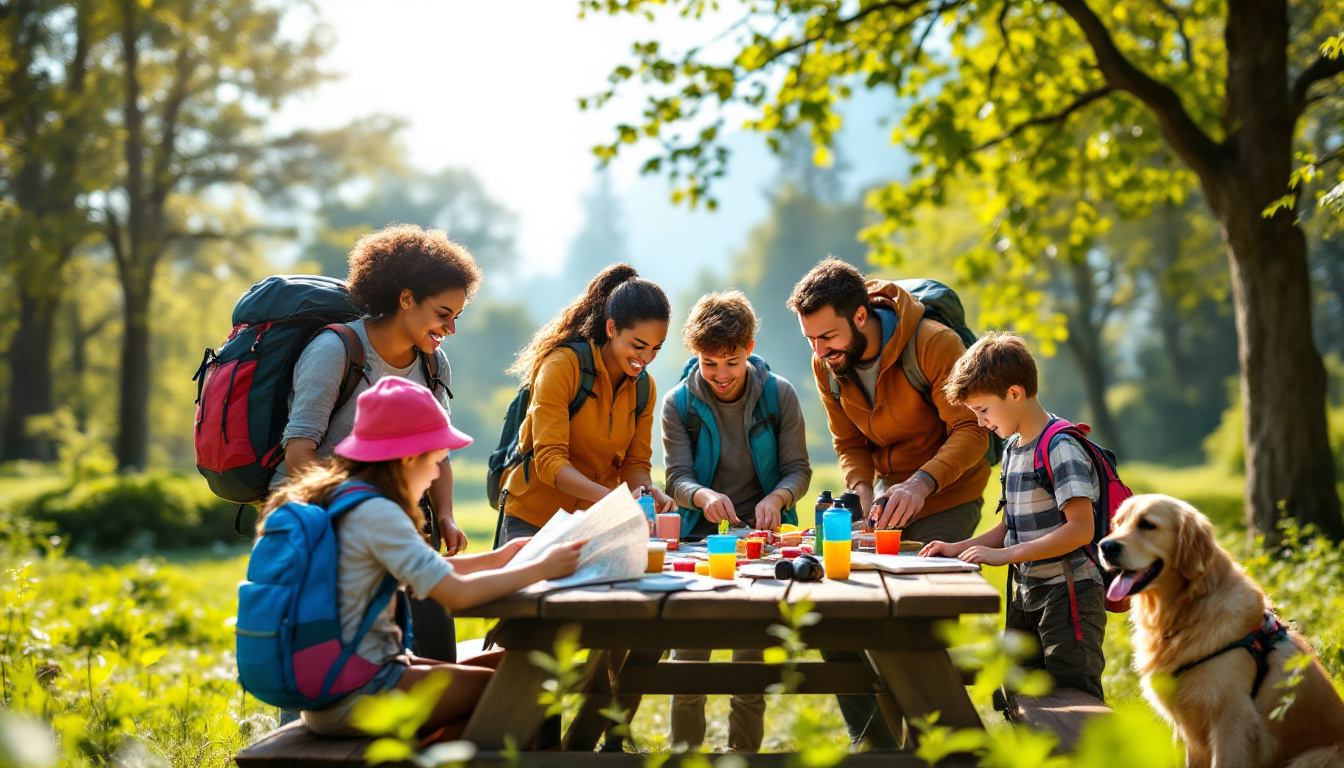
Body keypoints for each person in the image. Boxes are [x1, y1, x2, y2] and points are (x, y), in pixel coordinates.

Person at [262, 376, 583, 740]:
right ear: (409, 457)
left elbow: (429, 571)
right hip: (359, 695)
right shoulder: (378, 514)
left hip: (340, 689)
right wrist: (542, 569)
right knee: (521, 691)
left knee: (528, 669)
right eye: (437, 462)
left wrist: (500, 557)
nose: (435, 475)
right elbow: (454, 594)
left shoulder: (347, 499)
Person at [786, 257, 990, 748]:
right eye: (810, 338)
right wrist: (861, 496)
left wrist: (920, 484)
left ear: (860, 316)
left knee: (916, 619)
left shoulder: (935, 344)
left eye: (827, 336)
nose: (819, 350)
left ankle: (938, 746)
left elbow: (972, 430)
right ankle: (874, 745)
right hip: (884, 501)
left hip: (948, 493)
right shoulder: (827, 364)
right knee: (833, 615)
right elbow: (848, 443)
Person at [276, 224, 477, 667]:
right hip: (325, 519)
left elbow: (437, 447)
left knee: (434, 648)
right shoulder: (336, 350)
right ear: (406, 299)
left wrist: (443, 514)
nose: (451, 328)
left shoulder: (433, 361)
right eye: (444, 314)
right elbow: (299, 452)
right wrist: (345, 525)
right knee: (327, 653)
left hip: (400, 515)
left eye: (457, 317)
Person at [661, 290, 812, 752]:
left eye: (731, 361)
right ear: (695, 356)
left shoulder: (779, 395)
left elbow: (798, 470)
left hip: (765, 545)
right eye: (709, 363)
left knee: (750, 664)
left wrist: (778, 498)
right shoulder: (678, 404)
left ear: (748, 348)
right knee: (689, 663)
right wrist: (702, 496)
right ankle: (685, 754)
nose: (721, 375)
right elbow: (676, 477)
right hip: (700, 543)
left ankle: (743, 754)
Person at [921, 332, 1106, 704]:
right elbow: (1010, 527)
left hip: (1068, 596)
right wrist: (956, 548)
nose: (980, 423)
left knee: (1073, 699)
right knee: (1023, 696)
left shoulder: (1060, 448)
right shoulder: (1012, 448)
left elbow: (1080, 530)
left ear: (1015, 393)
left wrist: (1004, 556)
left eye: (984, 411)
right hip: (1027, 594)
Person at [499, 263, 677, 541]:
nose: (647, 358)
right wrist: (614, 501)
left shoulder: (644, 387)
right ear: (611, 328)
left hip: (594, 526)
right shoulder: (562, 367)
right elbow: (550, 462)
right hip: (533, 523)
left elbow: (635, 464)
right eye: (638, 345)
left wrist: (646, 494)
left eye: (656, 348)